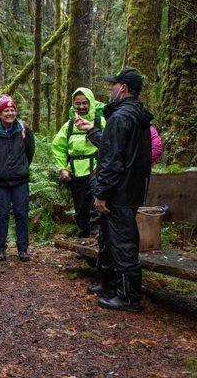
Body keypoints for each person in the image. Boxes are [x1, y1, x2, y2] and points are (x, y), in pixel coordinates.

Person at [74, 68, 153, 312]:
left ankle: (129, 297)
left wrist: (101, 193)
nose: (111, 89)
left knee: (123, 242)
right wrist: (93, 131)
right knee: (108, 239)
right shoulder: (133, 115)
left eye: (114, 85)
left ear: (124, 89)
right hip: (127, 189)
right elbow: (115, 147)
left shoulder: (122, 117)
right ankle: (109, 285)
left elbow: (112, 160)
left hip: (120, 192)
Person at [0, 95, 35, 262]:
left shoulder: (24, 130)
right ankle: (0, 249)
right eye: (6, 111)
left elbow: (30, 152)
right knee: (1, 215)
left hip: (20, 181)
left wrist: (21, 168)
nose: (10, 113)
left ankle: (23, 249)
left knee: (21, 214)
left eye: (12, 110)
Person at [51, 88, 104, 238]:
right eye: (77, 103)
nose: (81, 107)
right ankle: (84, 239)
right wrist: (62, 168)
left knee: (96, 205)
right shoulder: (68, 126)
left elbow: (109, 144)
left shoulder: (100, 122)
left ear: (91, 103)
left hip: (96, 170)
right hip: (76, 173)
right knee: (81, 210)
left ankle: (96, 237)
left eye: (85, 103)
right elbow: (58, 147)